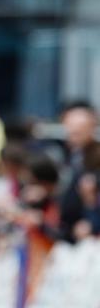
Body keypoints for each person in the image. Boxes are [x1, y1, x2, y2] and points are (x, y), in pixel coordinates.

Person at [57, 101, 100, 242]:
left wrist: (93, 221)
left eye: (79, 128)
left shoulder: (96, 157)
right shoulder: (69, 155)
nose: (74, 133)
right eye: (70, 127)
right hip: (69, 232)